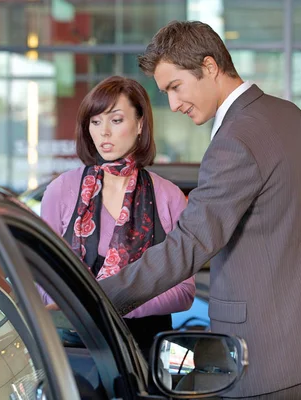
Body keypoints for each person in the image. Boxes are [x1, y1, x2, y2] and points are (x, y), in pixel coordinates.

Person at [96, 21, 301, 399]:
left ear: (210, 67)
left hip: (265, 354)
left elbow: (190, 243)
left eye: (175, 87)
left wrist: (96, 296)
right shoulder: (289, 115)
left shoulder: (236, 138)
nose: (172, 104)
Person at [40, 75, 195, 357]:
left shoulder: (167, 196)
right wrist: (72, 307)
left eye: (116, 120)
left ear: (139, 125)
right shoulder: (61, 190)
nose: (104, 133)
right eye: (95, 122)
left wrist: (109, 303)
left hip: (143, 353)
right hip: (72, 350)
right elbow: (41, 276)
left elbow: (184, 291)